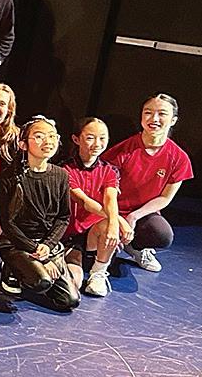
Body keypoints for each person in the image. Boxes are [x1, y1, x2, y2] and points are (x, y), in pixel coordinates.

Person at [103, 93, 194, 273]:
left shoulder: (179, 158)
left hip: (141, 214)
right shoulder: (122, 151)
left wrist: (134, 216)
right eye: (148, 112)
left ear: (173, 120)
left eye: (162, 114)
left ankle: (136, 248)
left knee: (162, 234)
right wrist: (116, 219)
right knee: (101, 256)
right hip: (111, 211)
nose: (154, 119)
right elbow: (103, 190)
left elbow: (165, 198)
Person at [0, 117, 79, 312]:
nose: (48, 141)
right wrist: (36, 251)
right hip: (18, 243)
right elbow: (7, 223)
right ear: (23, 144)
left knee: (70, 301)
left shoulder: (61, 175)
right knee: (41, 282)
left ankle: (36, 270)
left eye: (52, 136)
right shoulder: (10, 176)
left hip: (47, 245)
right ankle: (12, 268)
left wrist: (48, 247)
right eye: (40, 136)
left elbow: (63, 217)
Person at [62, 116, 124, 298]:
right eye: (90, 138)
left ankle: (98, 272)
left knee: (108, 225)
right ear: (76, 139)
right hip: (70, 235)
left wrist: (114, 223)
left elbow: (110, 199)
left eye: (102, 138)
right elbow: (85, 202)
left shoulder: (110, 170)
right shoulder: (65, 169)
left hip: (93, 234)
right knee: (73, 283)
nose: (97, 144)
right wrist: (121, 221)